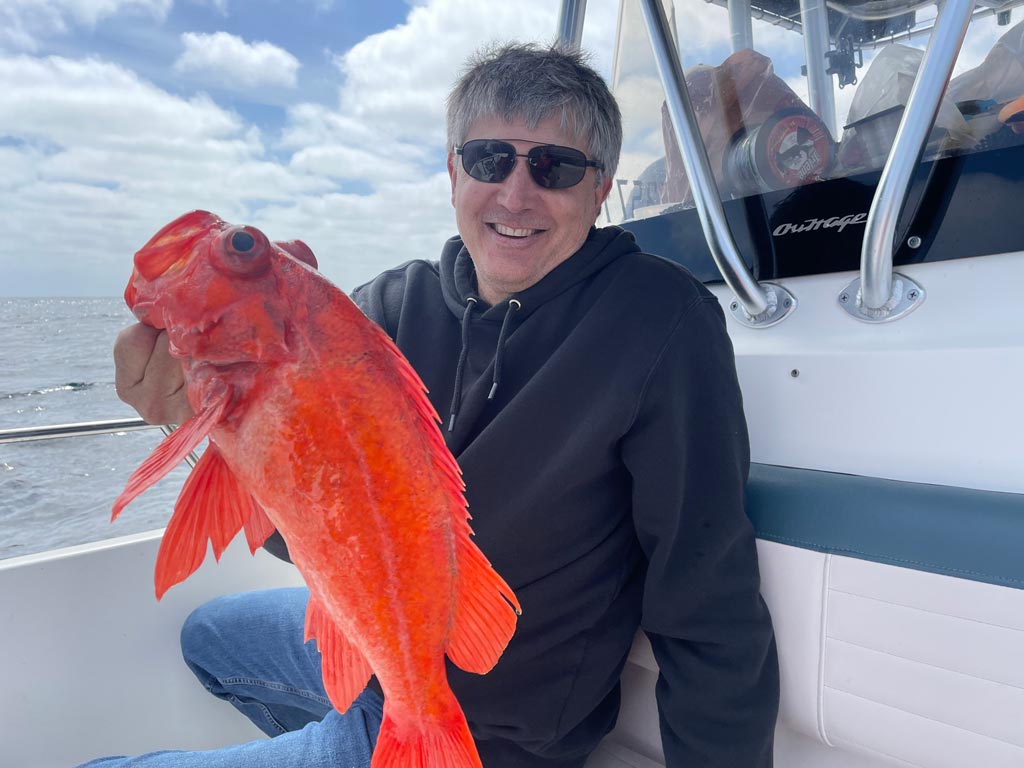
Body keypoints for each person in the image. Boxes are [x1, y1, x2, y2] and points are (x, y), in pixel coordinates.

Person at [93, 41, 779, 768]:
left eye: (555, 167)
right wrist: (204, 420)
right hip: (381, 648)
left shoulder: (658, 320)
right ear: (453, 173)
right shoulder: (388, 307)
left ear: (600, 188)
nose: (516, 195)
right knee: (206, 634)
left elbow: (708, 594)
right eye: (489, 160)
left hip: (485, 729)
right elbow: (303, 529)